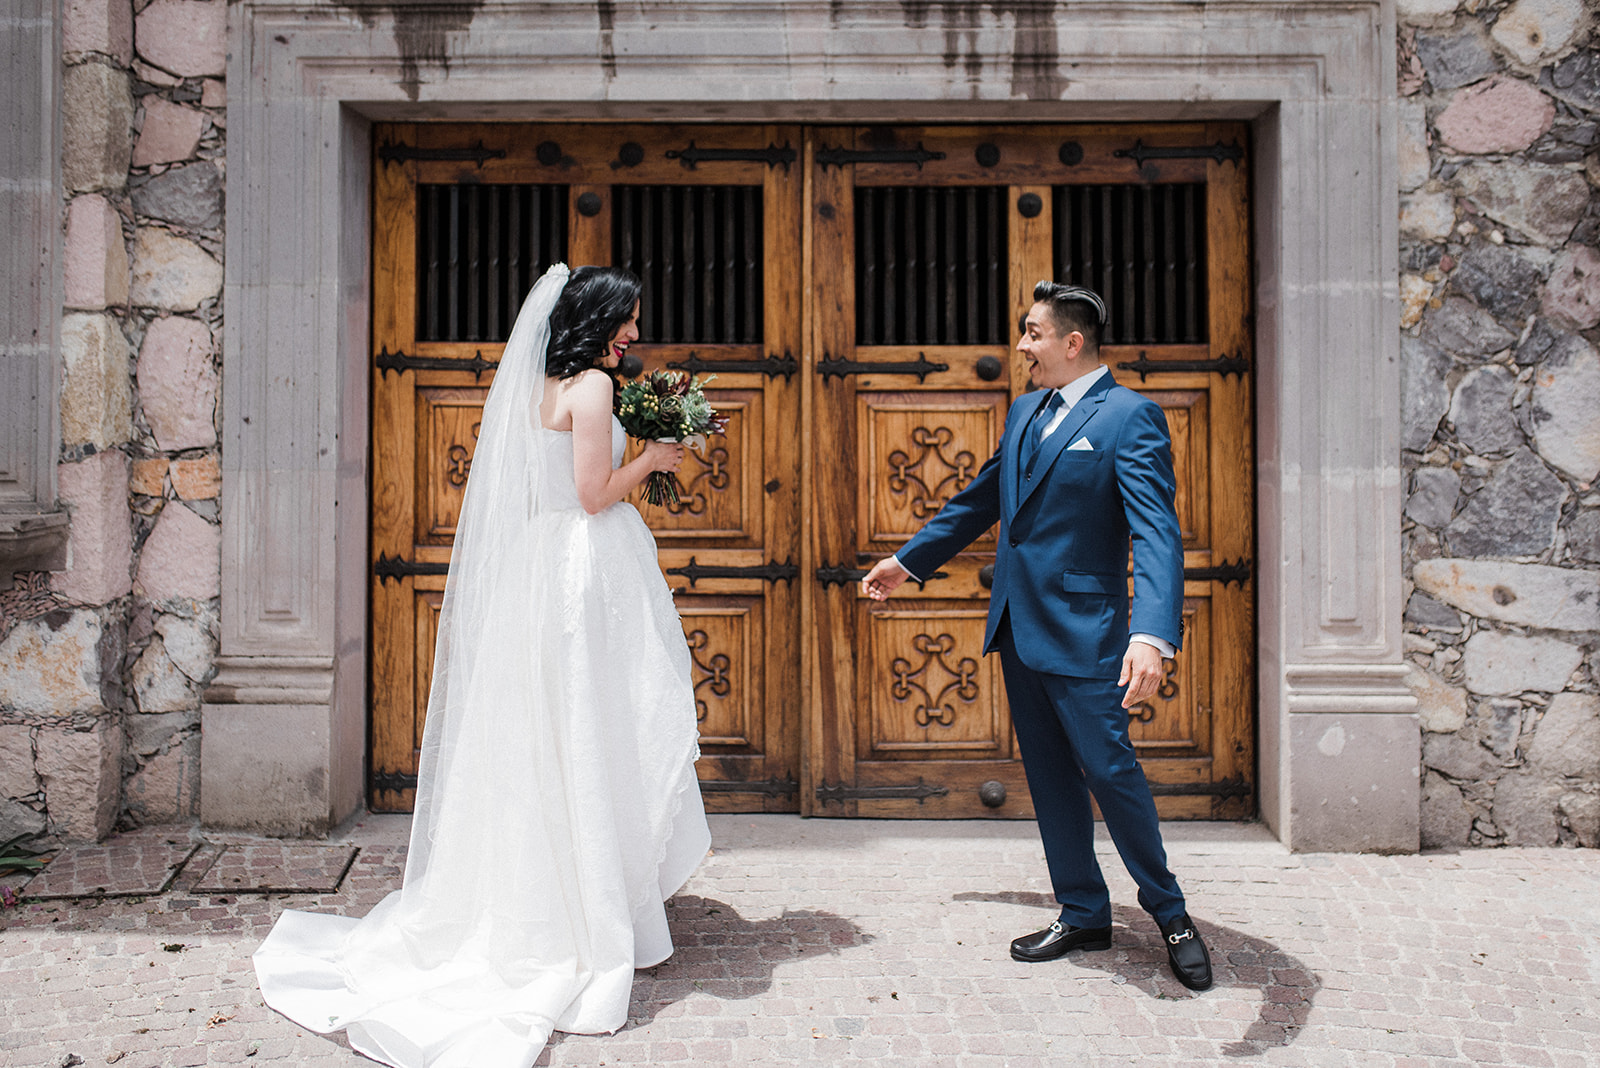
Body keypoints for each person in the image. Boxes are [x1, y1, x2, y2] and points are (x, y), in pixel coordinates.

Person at [253, 264, 713, 1066]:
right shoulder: (596, 390)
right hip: (582, 565)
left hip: (539, 571)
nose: (635, 335)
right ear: (601, 319)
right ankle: (586, 914)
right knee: (592, 727)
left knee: (544, 738)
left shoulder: (539, 384)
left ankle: (541, 896)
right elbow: (595, 494)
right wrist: (658, 457)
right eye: (628, 321)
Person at [861, 281, 1213, 992]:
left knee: (1112, 776)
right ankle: (1083, 911)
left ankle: (1171, 914)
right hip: (1019, 631)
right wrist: (907, 562)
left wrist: (1151, 633)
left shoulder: (1129, 418)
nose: (1020, 346)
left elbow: (1156, 532)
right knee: (1051, 779)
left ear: (1071, 341)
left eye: (1032, 333)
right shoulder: (1023, 412)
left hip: (1088, 635)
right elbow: (982, 500)